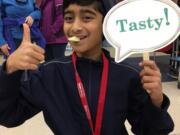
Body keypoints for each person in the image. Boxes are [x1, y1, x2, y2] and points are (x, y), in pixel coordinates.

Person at [0, 0, 174, 135]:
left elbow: (151, 131)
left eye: (87, 17)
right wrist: (9, 69)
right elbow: (9, 116)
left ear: (106, 24)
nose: (75, 27)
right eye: (69, 18)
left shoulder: (127, 75)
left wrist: (156, 101)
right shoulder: (49, 74)